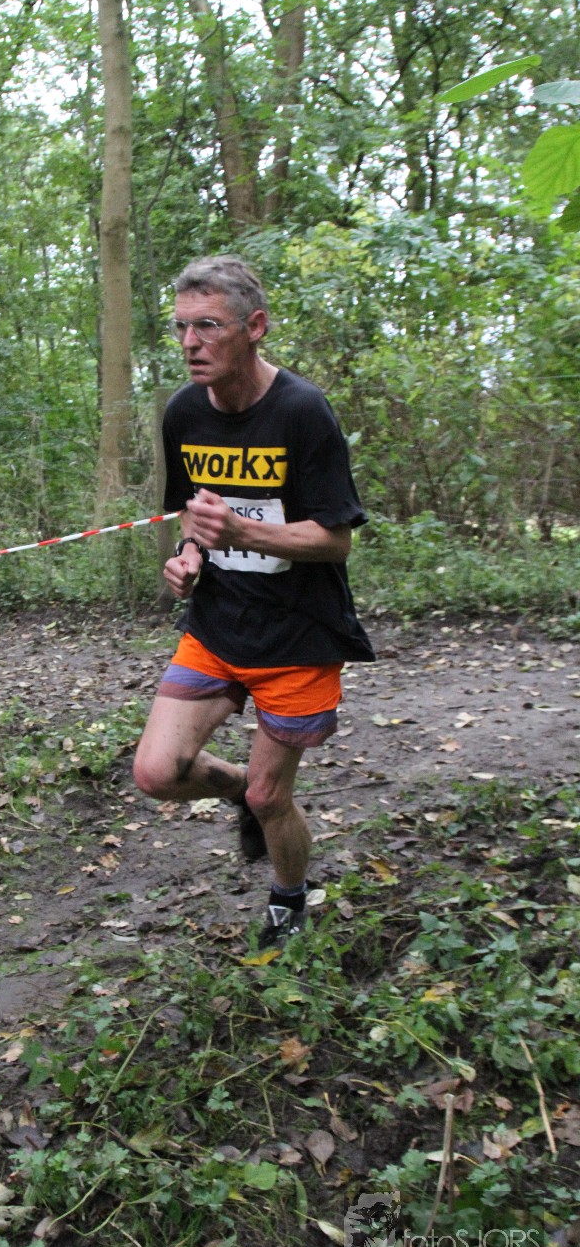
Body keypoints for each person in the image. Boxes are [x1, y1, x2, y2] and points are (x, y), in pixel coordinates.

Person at [133, 256, 375, 948]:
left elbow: (335, 541)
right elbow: (191, 512)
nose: (190, 342)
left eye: (208, 325)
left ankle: (287, 901)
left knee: (274, 798)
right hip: (216, 625)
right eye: (181, 327)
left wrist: (242, 531)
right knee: (156, 772)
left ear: (255, 327)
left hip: (298, 635)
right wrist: (187, 557)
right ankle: (238, 786)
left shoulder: (302, 411)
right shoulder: (183, 412)